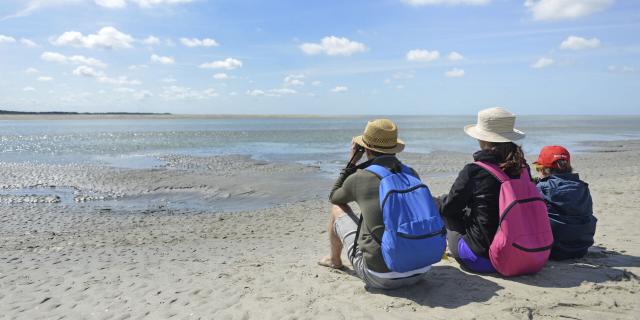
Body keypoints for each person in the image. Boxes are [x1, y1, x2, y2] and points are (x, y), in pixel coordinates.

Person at [319, 119, 444, 289]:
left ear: (366, 148)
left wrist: (352, 162)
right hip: (422, 269)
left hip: (380, 276)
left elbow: (334, 196)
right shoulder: (411, 173)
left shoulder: (360, 177)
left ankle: (334, 260)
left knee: (337, 208)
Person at [438, 107, 529, 273]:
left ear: (483, 139)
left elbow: (450, 209)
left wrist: (440, 202)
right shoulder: (523, 169)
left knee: (446, 209)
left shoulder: (475, 170)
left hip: (482, 259)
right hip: (522, 251)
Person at [534, 145, 597, 260]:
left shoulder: (542, 187)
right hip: (581, 247)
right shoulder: (582, 187)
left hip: (553, 249)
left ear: (544, 169)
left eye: (538, 168)